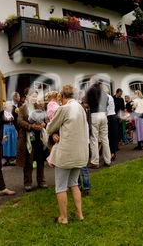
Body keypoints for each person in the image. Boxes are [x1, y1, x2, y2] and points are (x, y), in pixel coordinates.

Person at [46, 85, 89, 225]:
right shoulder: (81, 108)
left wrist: (54, 132)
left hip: (66, 154)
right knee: (74, 184)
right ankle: (79, 214)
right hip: (80, 153)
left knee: (61, 186)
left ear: (63, 97)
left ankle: (63, 218)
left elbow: (50, 127)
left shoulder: (64, 108)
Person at [17, 89, 47, 191]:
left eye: (36, 96)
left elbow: (45, 119)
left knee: (40, 160)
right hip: (27, 138)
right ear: (27, 96)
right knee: (28, 161)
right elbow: (20, 121)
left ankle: (41, 181)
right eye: (32, 96)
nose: (34, 98)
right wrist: (31, 126)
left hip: (39, 137)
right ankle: (28, 183)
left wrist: (43, 124)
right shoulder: (22, 108)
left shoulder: (39, 107)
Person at [86, 80, 110, 168]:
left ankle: (95, 162)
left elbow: (87, 103)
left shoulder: (90, 90)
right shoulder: (103, 91)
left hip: (94, 114)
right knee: (105, 138)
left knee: (94, 139)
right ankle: (108, 160)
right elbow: (107, 103)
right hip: (103, 114)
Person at [0, 102, 18, 166]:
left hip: (12, 128)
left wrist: (17, 130)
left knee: (13, 143)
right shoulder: (1, 113)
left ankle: (12, 159)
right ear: (5, 107)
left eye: (10, 106)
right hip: (5, 129)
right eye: (8, 106)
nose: (10, 107)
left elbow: (16, 121)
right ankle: (5, 159)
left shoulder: (13, 113)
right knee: (6, 143)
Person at [106, 91, 119, 162]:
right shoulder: (110, 97)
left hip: (109, 117)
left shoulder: (105, 97)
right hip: (113, 116)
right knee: (113, 136)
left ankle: (111, 153)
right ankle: (113, 152)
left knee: (108, 136)